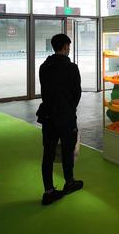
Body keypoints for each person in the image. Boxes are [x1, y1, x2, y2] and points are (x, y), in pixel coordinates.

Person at [36, 34, 82, 206]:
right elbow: (76, 93)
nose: (69, 49)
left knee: (48, 153)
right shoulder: (71, 68)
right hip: (65, 116)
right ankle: (69, 182)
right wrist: (69, 108)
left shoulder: (44, 67)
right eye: (68, 46)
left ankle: (48, 191)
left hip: (48, 115)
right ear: (64, 47)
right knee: (68, 150)